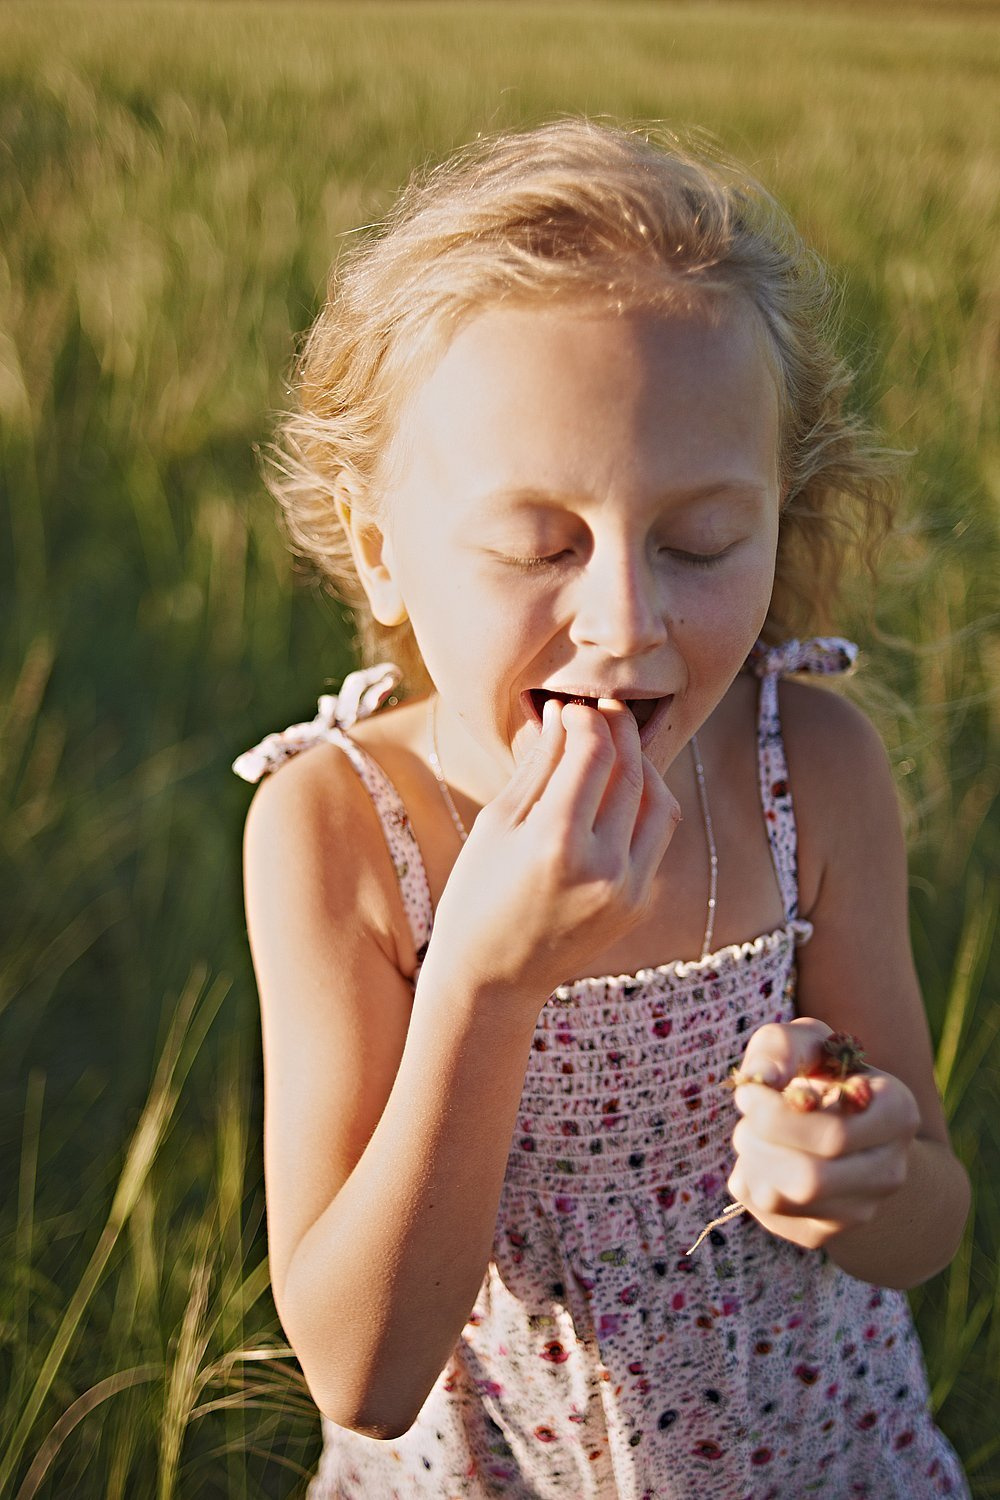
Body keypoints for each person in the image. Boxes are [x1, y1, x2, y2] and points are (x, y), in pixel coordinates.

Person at [234, 120, 971, 1497]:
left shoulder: (808, 772)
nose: (627, 625)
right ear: (384, 551)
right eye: (540, 546)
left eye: (701, 543)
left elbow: (927, 1224)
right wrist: (486, 976)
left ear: (780, 518)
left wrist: (858, 1170)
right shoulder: (338, 829)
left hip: (810, 1456)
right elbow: (365, 1374)